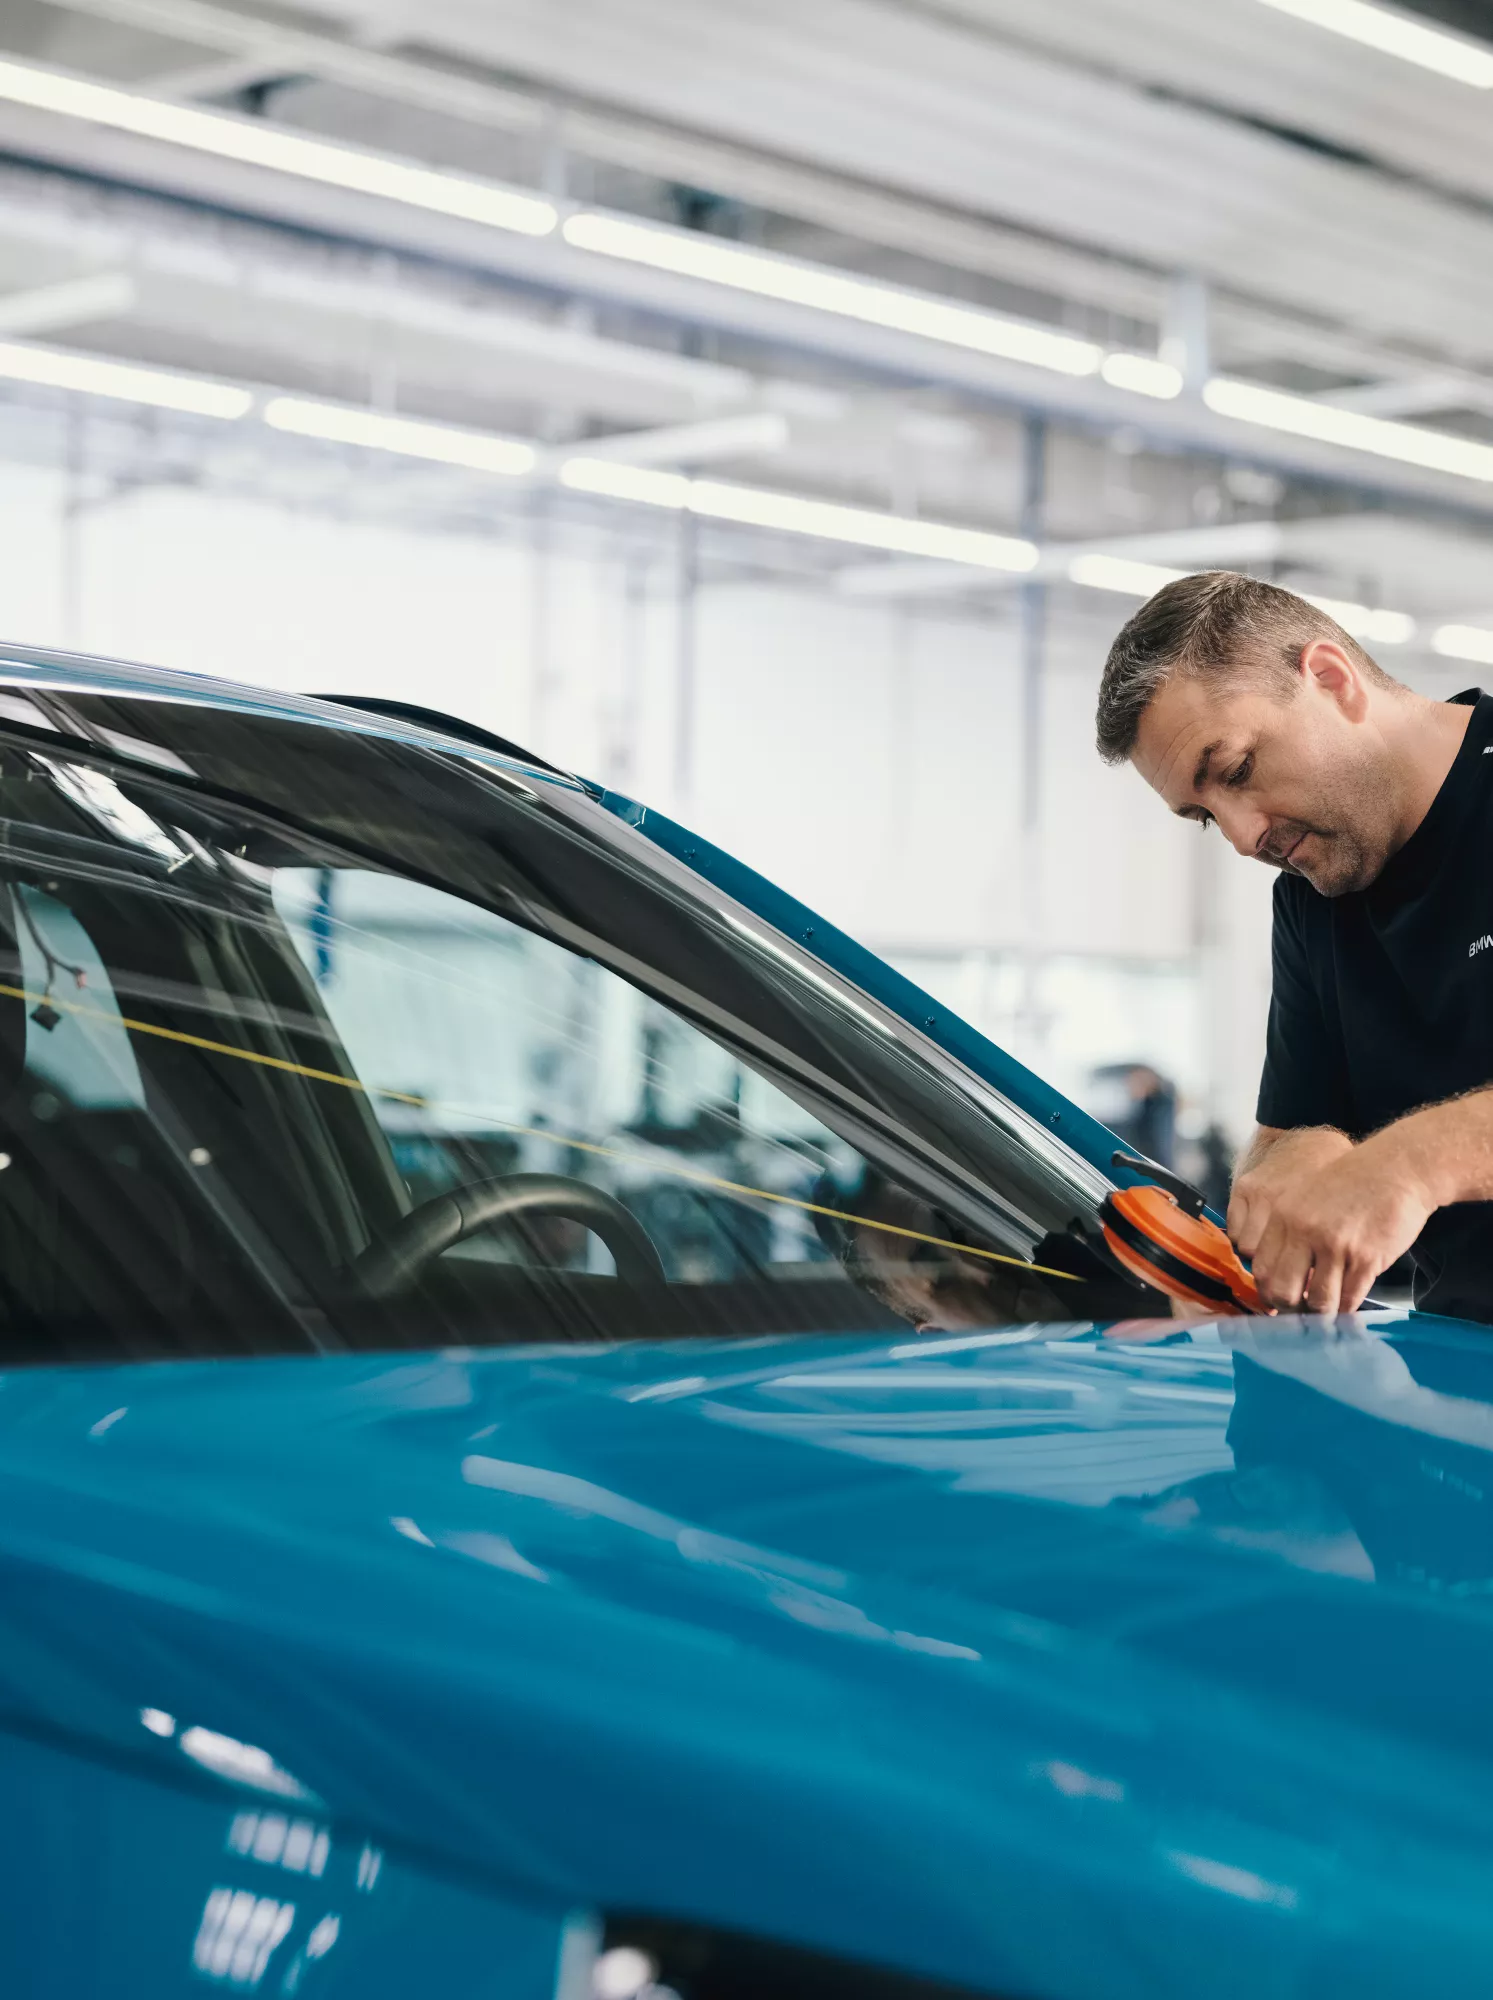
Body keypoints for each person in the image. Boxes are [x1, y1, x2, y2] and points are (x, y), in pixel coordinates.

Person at [1094, 570, 1493, 1321]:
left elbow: (1396, 1167)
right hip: (1456, 1379)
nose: (1244, 838)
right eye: (1205, 816)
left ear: (1330, 679)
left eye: (1238, 770)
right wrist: (1293, 1160)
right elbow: (1286, 1140)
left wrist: (1411, 1162)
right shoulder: (1311, 903)